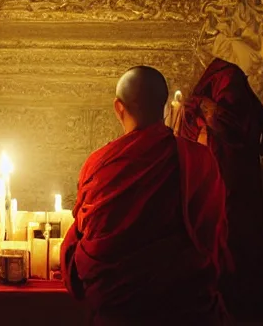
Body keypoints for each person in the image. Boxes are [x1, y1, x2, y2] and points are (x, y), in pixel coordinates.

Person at [62, 66, 227, 325]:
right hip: (184, 306)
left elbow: (87, 233)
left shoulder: (100, 164)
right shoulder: (198, 159)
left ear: (119, 107)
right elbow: (213, 234)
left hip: (121, 310)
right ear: (163, 106)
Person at [173, 58, 263, 300]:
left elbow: (233, 128)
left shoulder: (228, 87)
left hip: (236, 181)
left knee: (236, 235)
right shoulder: (205, 93)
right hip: (209, 182)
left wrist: (205, 115)